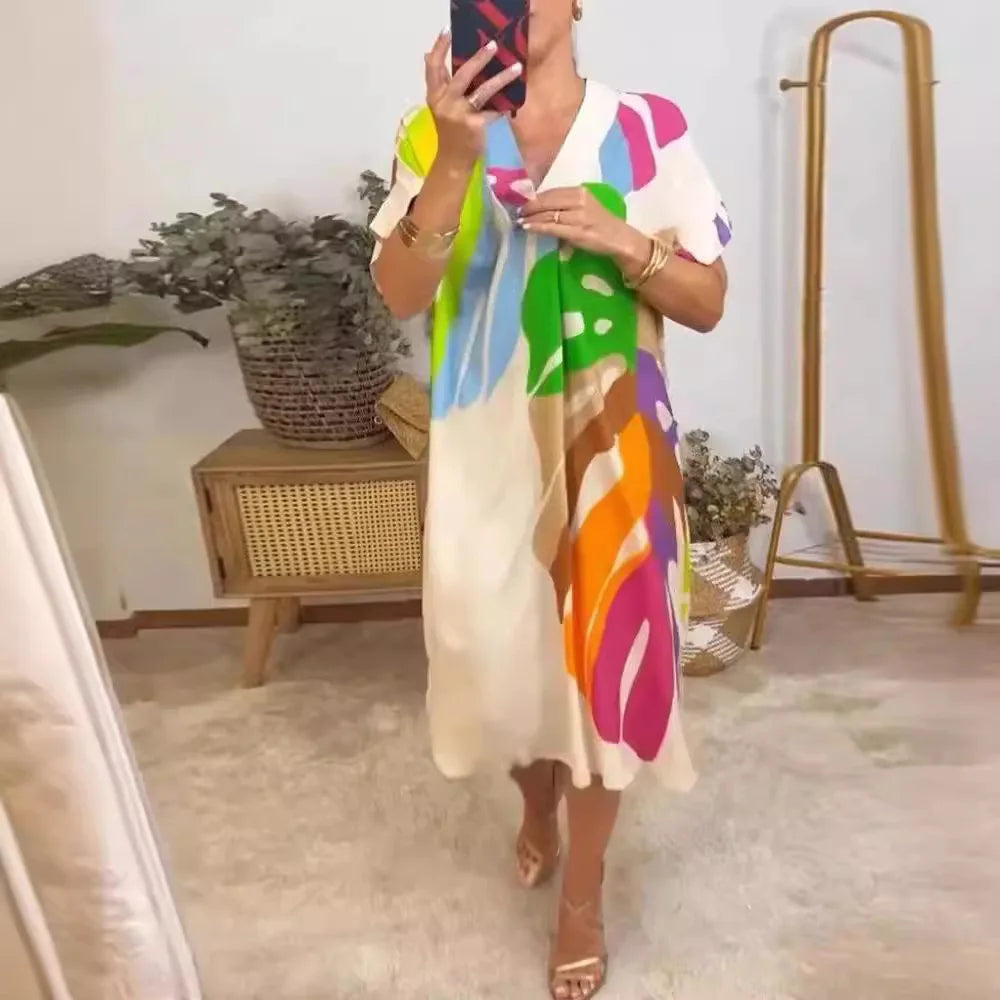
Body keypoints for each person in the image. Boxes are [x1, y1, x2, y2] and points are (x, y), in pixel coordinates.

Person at [370, 1, 730, 996]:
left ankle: (582, 893)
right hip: (485, 444)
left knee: (604, 662)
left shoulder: (648, 128)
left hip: (616, 441)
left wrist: (625, 241)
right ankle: (535, 801)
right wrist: (453, 158)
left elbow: (707, 301)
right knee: (494, 655)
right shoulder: (430, 131)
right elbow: (401, 292)